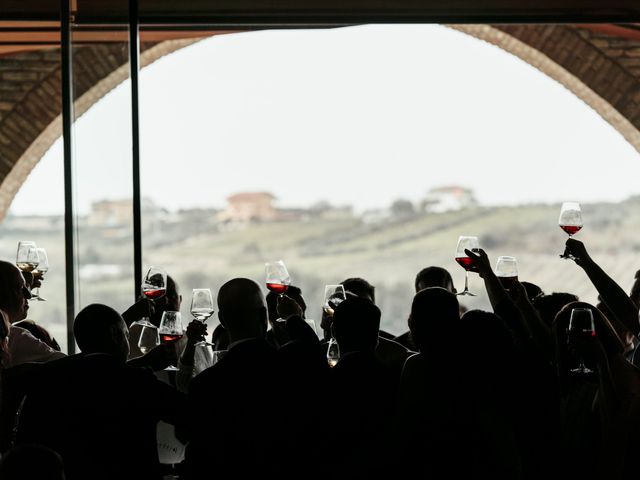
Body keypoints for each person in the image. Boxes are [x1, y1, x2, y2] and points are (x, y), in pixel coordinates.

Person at [15, 303, 187, 480]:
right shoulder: (136, 382)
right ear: (115, 334)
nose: (128, 348)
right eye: (127, 336)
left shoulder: (48, 382)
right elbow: (190, 412)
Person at [184, 278, 284, 479]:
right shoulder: (291, 371)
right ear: (264, 316)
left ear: (222, 320)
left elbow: (198, 462)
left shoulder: (205, 386)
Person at [0, 261, 65, 366]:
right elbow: (69, 364)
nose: (29, 295)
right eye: (21, 288)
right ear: (4, 294)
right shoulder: (18, 338)